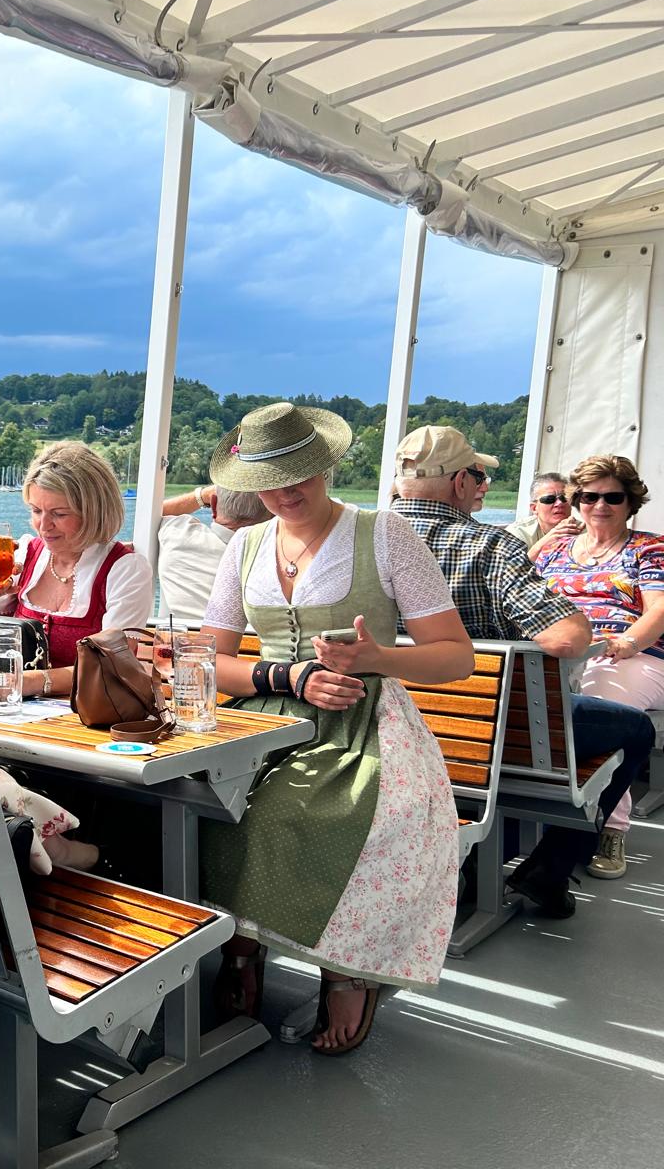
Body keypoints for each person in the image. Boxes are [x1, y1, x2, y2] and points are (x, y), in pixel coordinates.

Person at [199, 403, 473, 1055]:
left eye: (299, 473)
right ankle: (242, 945)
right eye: (269, 478)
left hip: (367, 719)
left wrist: (378, 657)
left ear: (326, 465)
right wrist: (284, 678)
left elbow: (455, 655)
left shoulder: (385, 536)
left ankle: (347, 967)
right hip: (267, 713)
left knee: (296, 813)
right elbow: (211, 660)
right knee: (205, 803)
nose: (285, 491)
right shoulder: (246, 544)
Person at [391, 429, 649, 916]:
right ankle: (549, 871)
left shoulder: (355, 541)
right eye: (481, 477)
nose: (484, 488)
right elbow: (568, 639)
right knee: (634, 729)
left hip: (387, 728)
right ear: (461, 482)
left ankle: (467, 867)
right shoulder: (489, 546)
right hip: (486, 734)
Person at [0, 441, 153, 700]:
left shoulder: (125, 570)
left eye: (59, 514)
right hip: (11, 711)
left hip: (87, 717)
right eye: (36, 510)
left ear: (95, 512)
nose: (44, 525)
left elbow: (112, 666)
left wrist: (28, 682)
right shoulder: (25, 555)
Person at [535, 454, 664, 879]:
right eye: (589, 496)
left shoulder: (650, 548)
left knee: (603, 709)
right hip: (559, 653)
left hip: (632, 655)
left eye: (613, 496)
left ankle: (611, 825)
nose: (600, 505)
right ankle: (544, 811)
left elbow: (658, 610)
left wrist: (628, 640)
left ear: (631, 502)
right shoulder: (554, 548)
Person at [157, 481, 269, 622]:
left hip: (180, 640)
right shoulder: (278, 559)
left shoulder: (177, 533)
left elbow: (151, 514)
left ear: (214, 505)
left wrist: (202, 495)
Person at [505, 471, 581, 560]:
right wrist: (546, 542)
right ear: (534, 508)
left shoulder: (585, 531)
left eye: (564, 498)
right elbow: (511, 569)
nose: (559, 503)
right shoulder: (518, 533)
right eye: (549, 499)